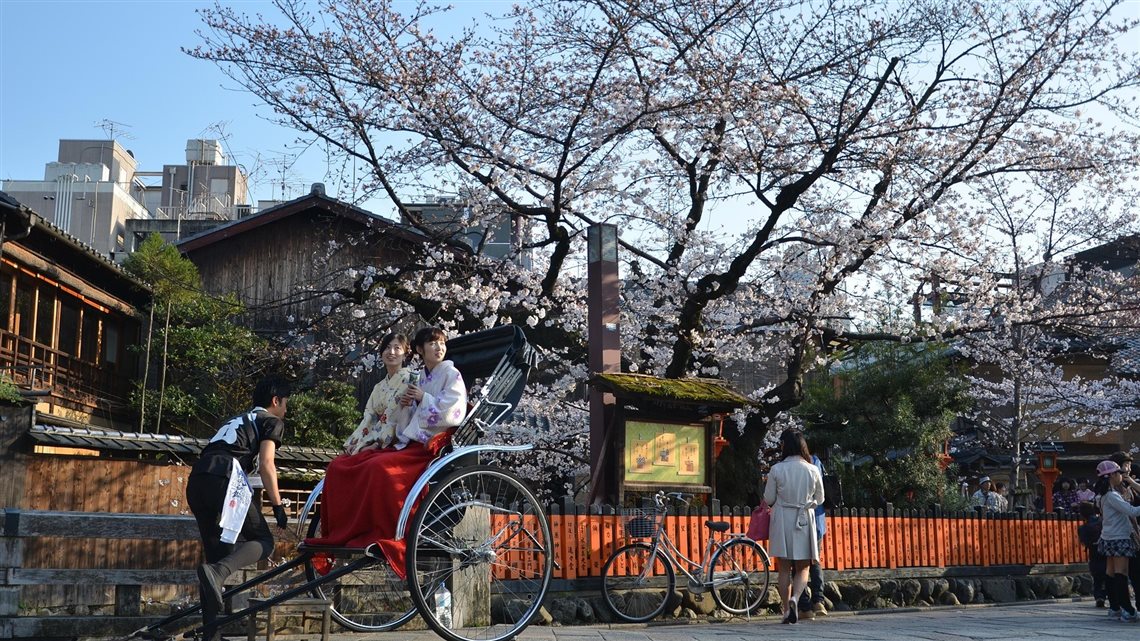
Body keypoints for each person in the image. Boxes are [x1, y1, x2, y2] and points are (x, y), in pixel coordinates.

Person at [308, 326, 467, 577]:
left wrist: (421, 399)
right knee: (340, 466)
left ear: (406, 353)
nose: (439, 348)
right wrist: (407, 407)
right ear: (420, 349)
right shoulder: (418, 378)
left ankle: (385, 532)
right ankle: (347, 532)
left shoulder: (449, 373)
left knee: (379, 468)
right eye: (433, 343)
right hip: (409, 440)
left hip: (432, 444)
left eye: (442, 343)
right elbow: (389, 419)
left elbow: (453, 412)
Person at [186, 375, 291, 641]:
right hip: (225, 477)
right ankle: (219, 572)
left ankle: (211, 634)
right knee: (264, 541)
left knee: (215, 560)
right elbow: (268, 464)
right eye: (286, 403)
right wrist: (277, 506)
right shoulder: (271, 421)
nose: (286, 409)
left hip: (198, 479)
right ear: (275, 400)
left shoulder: (237, 419)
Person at [763, 429, 825, 625]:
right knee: (803, 566)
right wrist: (809, 504)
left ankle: (785, 609)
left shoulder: (777, 469)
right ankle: (796, 598)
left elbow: (769, 499)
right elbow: (820, 498)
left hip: (782, 518)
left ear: (785, 446)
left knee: (783, 568)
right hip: (804, 518)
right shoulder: (812, 469)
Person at [342, 333, 414, 455]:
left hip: (394, 440)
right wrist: (356, 441)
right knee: (338, 463)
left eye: (397, 348)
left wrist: (377, 444)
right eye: (387, 347)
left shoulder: (410, 380)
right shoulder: (379, 387)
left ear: (405, 355)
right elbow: (369, 416)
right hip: (374, 440)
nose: (391, 352)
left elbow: (393, 415)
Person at [1093, 459, 1140, 622]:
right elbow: (1132, 511)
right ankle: (1128, 610)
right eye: (1118, 473)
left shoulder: (1102, 496)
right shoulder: (1112, 496)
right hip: (1119, 537)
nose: (1120, 475)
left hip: (1108, 537)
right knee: (1122, 573)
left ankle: (1114, 608)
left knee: (1111, 573)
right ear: (1112, 475)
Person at [796, 453, 829, 620]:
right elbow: (820, 494)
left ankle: (804, 606)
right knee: (815, 560)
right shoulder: (816, 461)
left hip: (799, 519)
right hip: (817, 517)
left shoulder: (793, 464)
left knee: (799, 563)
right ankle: (819, 600)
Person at [1078, 501, 1108, 608]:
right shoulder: (1102, 521)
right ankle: (1109, 595)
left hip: (1093, 552)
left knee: (1097, 576)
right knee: (1108, 574)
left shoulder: (1082, 528)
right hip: (1106, 550)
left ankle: (1099, 596)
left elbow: (1084, 542)